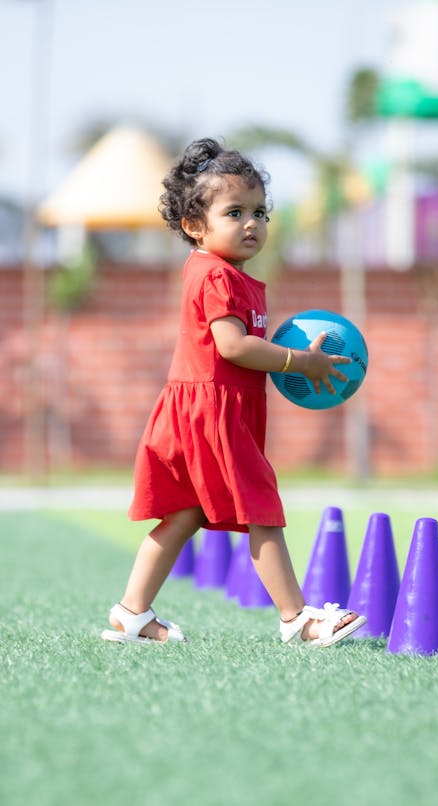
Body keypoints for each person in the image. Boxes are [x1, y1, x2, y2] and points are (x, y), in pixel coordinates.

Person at [101, 137, 366, 647]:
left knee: (185, 514)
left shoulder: (231, 275)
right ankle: (298, 620)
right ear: (194, 226)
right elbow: (234, 348)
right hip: (208, 412)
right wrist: (300, 362)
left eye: (260, 211)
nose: (252, 223)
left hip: (207, 410)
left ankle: (131, 614)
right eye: (235, 212)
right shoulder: (213, 275)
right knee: (260, 509)